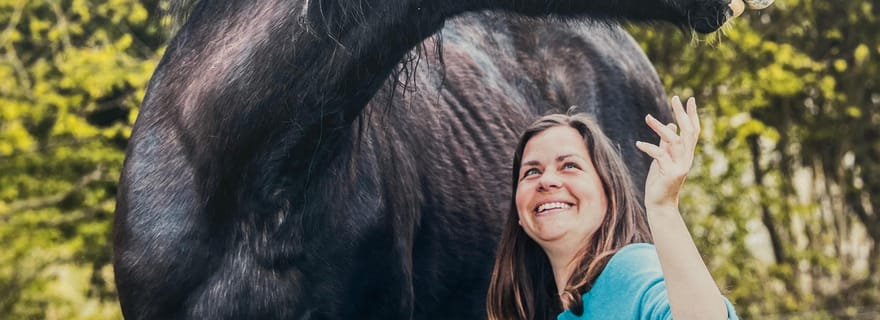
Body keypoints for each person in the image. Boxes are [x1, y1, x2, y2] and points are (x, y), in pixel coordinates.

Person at [486, 96, 738, 320]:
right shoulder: (541, 306)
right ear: (518, 213)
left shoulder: (629, 270)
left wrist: (663, 208)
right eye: (531, 171)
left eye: (569, 166)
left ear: (610, 193)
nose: (547, 180)